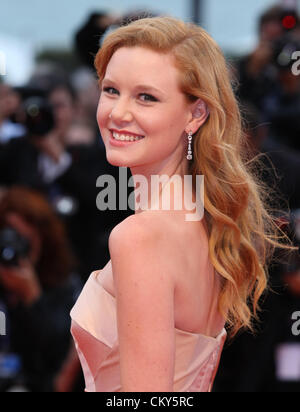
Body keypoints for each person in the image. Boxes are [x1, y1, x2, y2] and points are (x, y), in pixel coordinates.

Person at [70, 16, 296, 392]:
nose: (118, 112)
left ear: (195, 114)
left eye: (146, 97)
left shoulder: (141, 236)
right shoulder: (203, 221)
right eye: (111, 90)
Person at [0, 186, 82, 391]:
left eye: (26, 240)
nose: (18, 247)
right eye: (12, 235)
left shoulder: (64, 283)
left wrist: (33, 297)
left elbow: (59, 355)